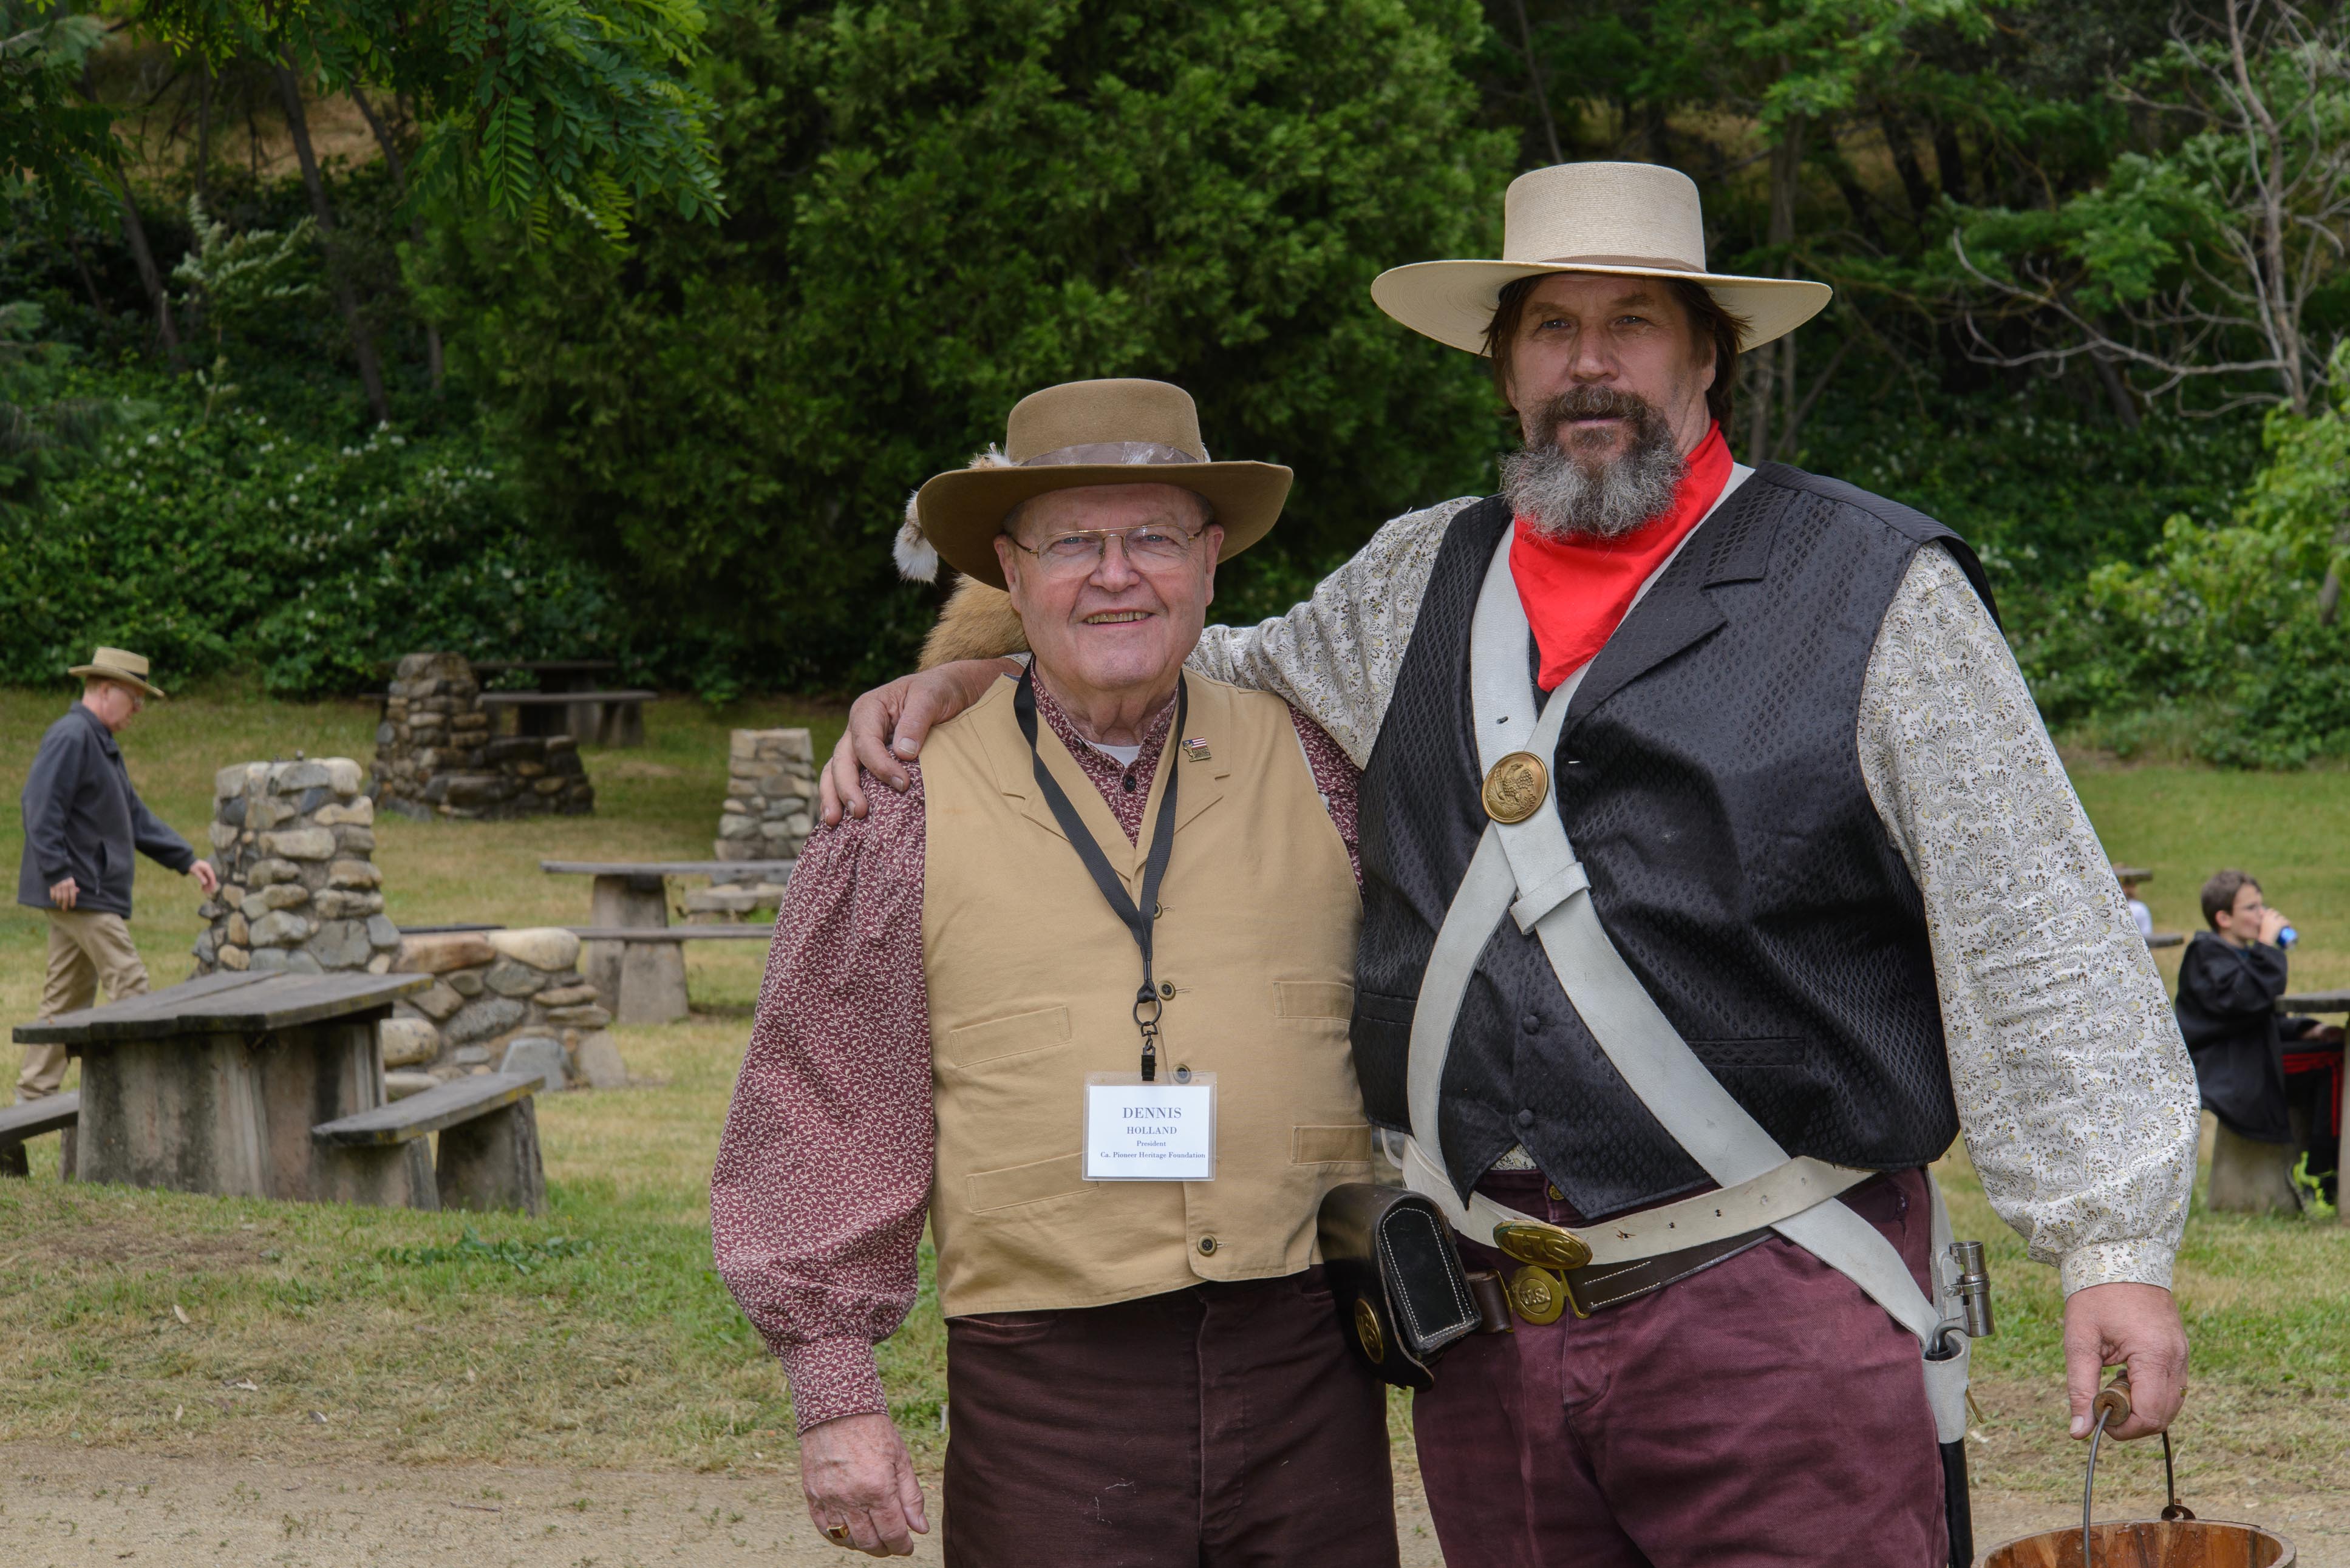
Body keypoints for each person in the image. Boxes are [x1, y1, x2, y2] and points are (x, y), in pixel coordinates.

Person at [819, 163, 2202, 1567]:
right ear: (1502, 365)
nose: (1589, 364)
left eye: (1632, 323)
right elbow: (1195, 664)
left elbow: (2033, 927)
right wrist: (980, 670)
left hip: (1776, 1314)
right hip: (1491, 1334)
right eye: (1551, 327)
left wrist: (2110, 1249)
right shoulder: (1414, 577)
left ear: (1706, 354)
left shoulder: (1874, 590)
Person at [710, 379, 1398, 1564]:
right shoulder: (902, 800)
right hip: (1045, 1396)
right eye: (1073, 542)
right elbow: (825, 1097)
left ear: (1211, 561)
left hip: (1309, 1376)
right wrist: (835, 1397)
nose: (1115, 575)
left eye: (1154, 539)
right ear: (1010, 573)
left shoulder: (1326, 763)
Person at [15, 648, 219, 1104]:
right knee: (130, 983)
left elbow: (134, 816)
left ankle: (25, 1109)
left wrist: (186, 859)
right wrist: (58, 870)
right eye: (135, 698)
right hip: (79, 892)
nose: (138, 710)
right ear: (106, 690)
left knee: (64, 1001)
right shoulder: (72, 736)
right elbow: (39, 804)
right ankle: (149, 1096)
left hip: (85, 891)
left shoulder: (99, 742)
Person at [2178, 869, 2341, 1204]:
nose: (2263, 915)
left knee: (2332, 1045)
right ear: (2224, 918)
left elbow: (2259, 1019)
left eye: (2261, 906)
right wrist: (2267, 948)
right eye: (2251, 908)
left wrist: (2307, 1029)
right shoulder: (2206, 955)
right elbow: (2245, 1000)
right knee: (2335, 1060)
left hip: (2250, 1053)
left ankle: (2322, 1161)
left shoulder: (2238, 957)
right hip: (2229, 1067)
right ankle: (2323, 1173)